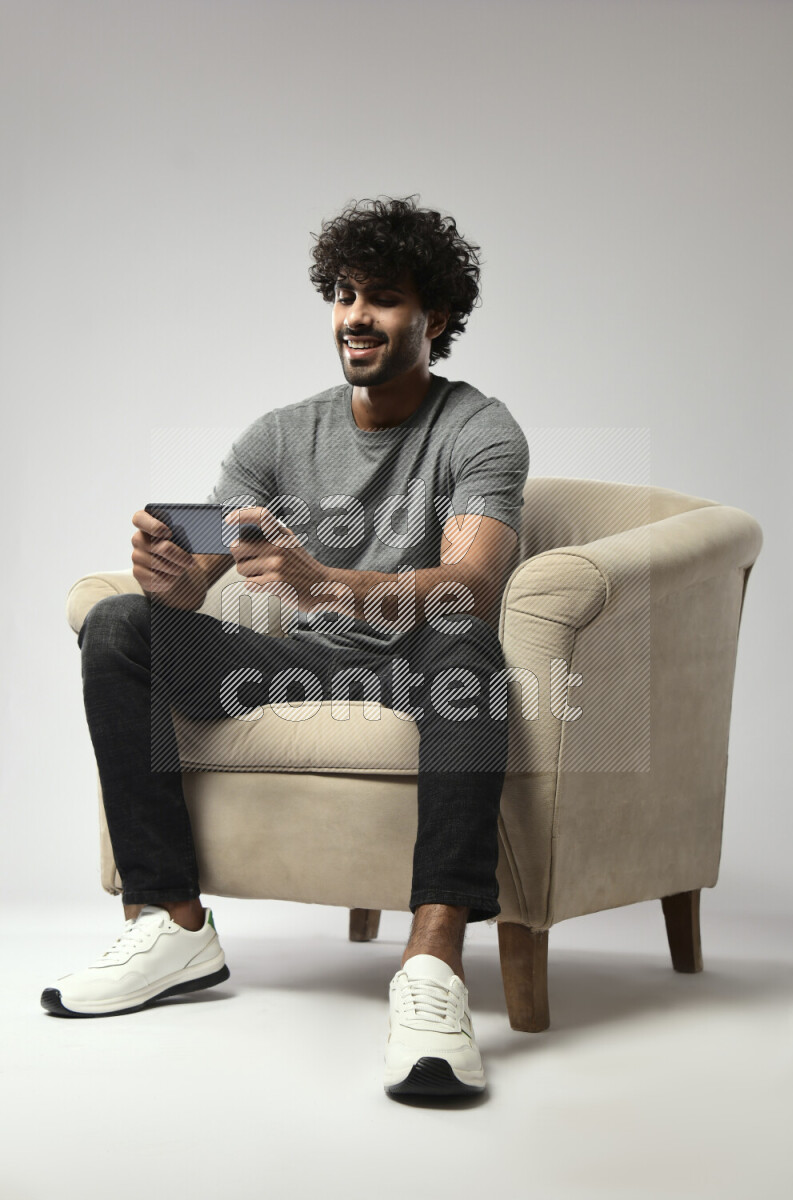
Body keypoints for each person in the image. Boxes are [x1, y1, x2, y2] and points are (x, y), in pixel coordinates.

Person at [41, 195, 530, 1098]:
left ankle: (432, 969)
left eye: (381, 297)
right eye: (343, 294)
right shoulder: (278, 435)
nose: (355, 316)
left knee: (469, 650)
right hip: (301, 661)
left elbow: (473, 584)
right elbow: (204, 578)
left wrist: (322, 582)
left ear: (439, 317)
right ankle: (174, 926)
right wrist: (168, 576)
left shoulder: (478, 430)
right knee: (118, 626)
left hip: (422, 660)